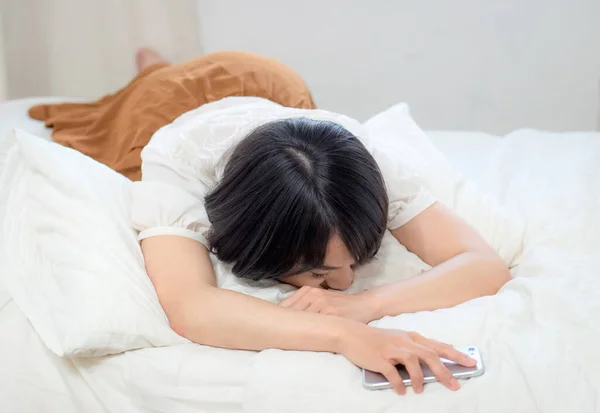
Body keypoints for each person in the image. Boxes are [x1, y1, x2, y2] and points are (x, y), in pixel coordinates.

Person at [32, 49, 511, 395]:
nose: (343, 283)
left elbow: (484, 265)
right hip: (164, 107)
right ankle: (153, 64)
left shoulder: (359, 157)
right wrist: (345, 335)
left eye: (354, 262)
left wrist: (367, 305)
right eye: (320, 273)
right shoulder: (174, 160)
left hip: (268, 83)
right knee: (140, 96)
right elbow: (189, 306)